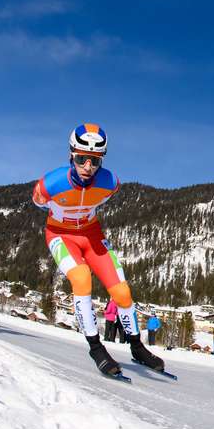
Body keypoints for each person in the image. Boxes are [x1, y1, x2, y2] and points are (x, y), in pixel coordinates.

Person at [32, 123, 163, 376]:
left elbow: (104, 195)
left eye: (95, 161)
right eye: (81, 159)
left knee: (123, 294)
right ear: (71, 154)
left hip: (92, 235)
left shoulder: (110, 182)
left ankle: (137, 347)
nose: (88, 167)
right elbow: (39, 202)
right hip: (61, 235)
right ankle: (95, 347)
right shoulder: (50, 184)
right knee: (81, 279)